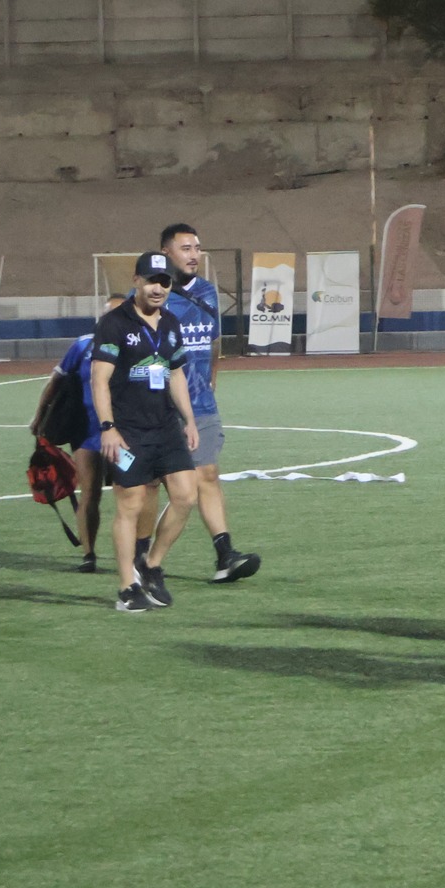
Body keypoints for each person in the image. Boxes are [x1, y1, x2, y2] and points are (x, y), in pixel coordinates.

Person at [90, 252, 201, 613]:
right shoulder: (113, 323)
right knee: (131, 504)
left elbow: (177, 374)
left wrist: (189, 419)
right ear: (136, 280)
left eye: (165, 282)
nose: (158, 288)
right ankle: (126, 587)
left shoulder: (170, 323)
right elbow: (100, 379)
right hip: (127, 432)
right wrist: (107, 428)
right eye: (152, 280)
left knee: (186, 495)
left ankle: (150, 566)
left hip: (165, 427)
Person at [153, 224, 260, 583]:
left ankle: (225, 555)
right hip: (158, 407)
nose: (194, 254)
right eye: (185, 248)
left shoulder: (208, 293)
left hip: (200, 402)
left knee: (208, 474)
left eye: (197, 247)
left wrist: (212, 377)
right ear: (166, 252)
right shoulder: (154, 295)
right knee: (147, 490)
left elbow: (214, 343)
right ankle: (142, 561)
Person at [28, 295, 123, 572]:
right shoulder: (82, 346)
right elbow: (55, 382)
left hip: (126, 434)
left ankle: (136, 553)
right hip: (88, 433)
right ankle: (89, 554)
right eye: (109, 315)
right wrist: (40, 416)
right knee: (90, 491)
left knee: (130, 492)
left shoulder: (135, 346)